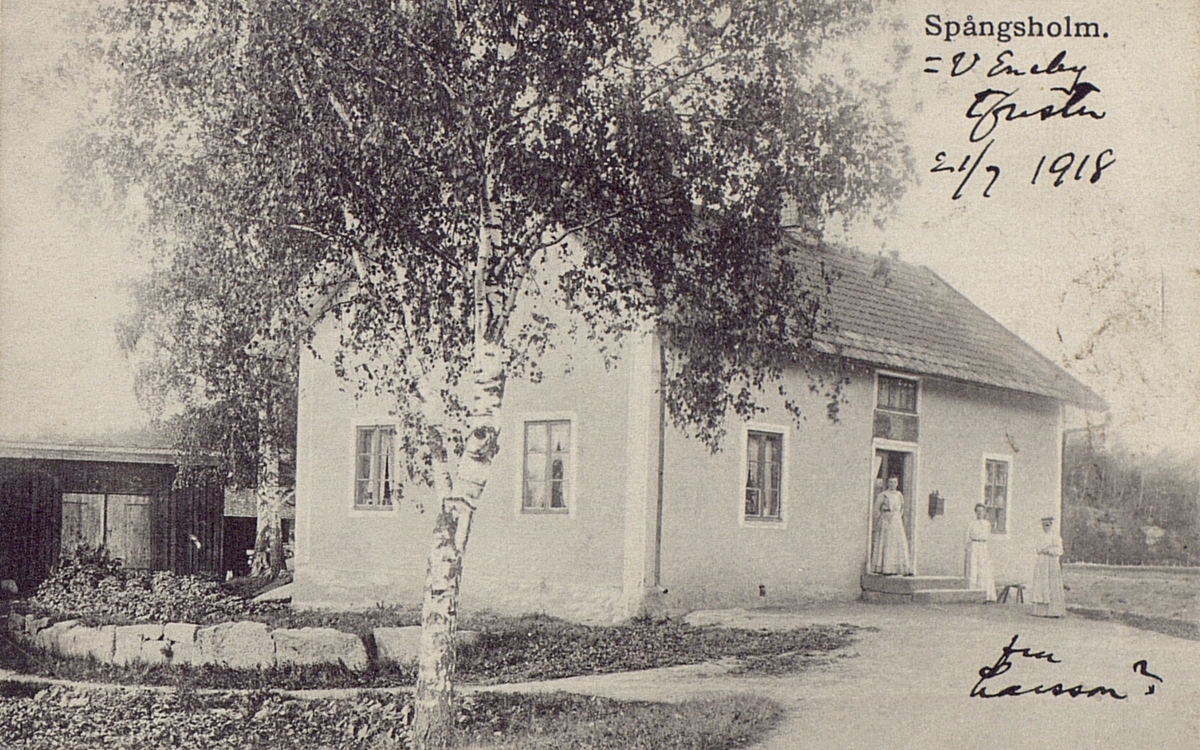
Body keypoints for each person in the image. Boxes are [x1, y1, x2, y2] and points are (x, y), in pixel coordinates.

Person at [871, 476, 911, 575]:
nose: (892, 484)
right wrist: (882, 517)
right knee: (887, 541)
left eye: (894, 482)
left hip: (896, 520)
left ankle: (897, 568)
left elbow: (902, 507)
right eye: (891, 482)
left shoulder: (899, 495)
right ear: (888, 483)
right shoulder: (883, 495)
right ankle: (885, 568)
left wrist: (897, 516)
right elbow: (876, 508)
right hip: (886, 519)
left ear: (897, 484)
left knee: (897, 541)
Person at [1029, 516, 1066, 617]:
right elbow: (1037, 548)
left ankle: (1053, 611)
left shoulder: (1055, 537)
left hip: (1051, 562)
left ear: (1051, 525)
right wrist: (1042, 550)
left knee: (1051, 584)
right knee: (1041, 584)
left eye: (1047, 525)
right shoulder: (1040, 537)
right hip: (1042, 563)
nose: (1046, 527)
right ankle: (1039, 611)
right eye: (1044, 525)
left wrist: (1049, 550)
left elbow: (1060, 550)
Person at [965, 503, 997, 602]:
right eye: (978, 511)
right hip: (974, 546)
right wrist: (967, 548)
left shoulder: (987, 524)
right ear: (975, 512)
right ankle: (972, 593)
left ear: (984, 512)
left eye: (981, 511)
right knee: (974, 568)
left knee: (984, 569)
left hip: (983, 546)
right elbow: (967, 536)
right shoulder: (972, 524)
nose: (980, 513)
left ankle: (986, 594)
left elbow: (985, 535)